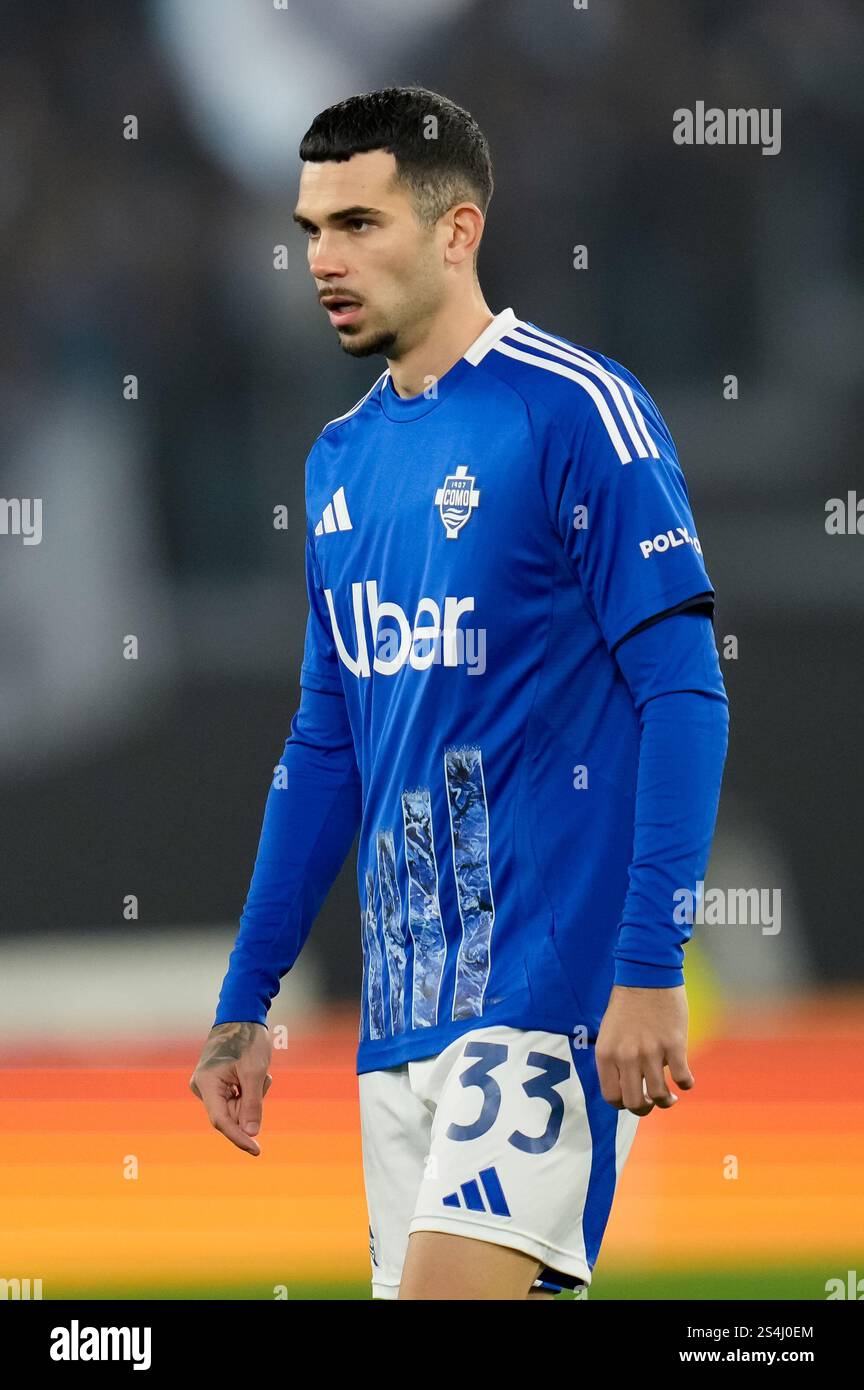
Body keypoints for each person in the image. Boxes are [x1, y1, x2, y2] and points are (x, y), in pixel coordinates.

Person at [189, 85, 729, 1301]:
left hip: (549, 995)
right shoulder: (340, 461)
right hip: (401, 1018)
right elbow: (328, 746)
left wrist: (651, 965)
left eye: (360, 224)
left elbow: (685, 694)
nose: (323, 260)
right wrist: (245, 1003)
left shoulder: (575, 410)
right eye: (309, 230)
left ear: (456, 231)